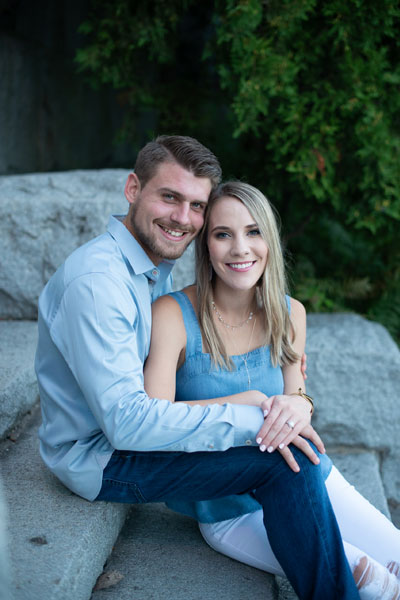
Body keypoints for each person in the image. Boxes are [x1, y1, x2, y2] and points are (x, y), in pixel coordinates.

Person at [35, 135, 360, 599]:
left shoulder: (148, 268)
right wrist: (252, 409)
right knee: (287, 460)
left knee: (289, 450)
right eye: (169, 197)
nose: (182, 218)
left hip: (128, 436)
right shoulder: (98, 284)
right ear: (132, 189)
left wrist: (298, 402)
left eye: (195, 205)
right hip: (102, 458)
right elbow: (128, 425)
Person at [143, 180, 400, 600]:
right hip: (230, 509)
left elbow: (297, 397)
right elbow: (151, 421)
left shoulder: (290, 312)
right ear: (205, 246)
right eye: (223, 234)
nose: (240, 248)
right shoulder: (172, 315)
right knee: (375, 582)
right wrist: (242, 404)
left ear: (270, 240)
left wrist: (302, 405)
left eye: (253, 232)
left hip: (307, 476)